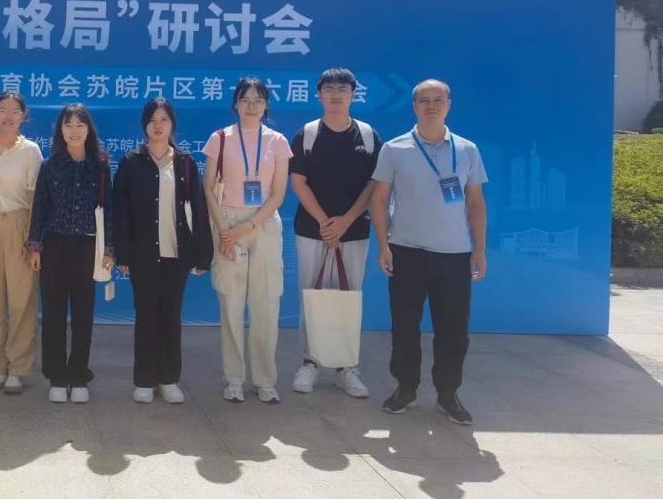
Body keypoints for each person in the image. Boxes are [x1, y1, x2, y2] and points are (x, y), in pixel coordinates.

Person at [370, 79, 487, 426]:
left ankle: (448, 393)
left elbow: (476, 202)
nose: (431, 106)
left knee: (453, 330)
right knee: (405, 326)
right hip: (407, 251)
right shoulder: (394, 148)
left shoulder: (467, 150)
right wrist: (383, 245)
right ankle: (405, 388)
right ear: (414, 106)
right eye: (424, 100)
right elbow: (379, 199)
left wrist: (479, 249)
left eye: (438, 100)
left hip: (455, 254)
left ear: (449, 104)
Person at [113, 98, 212, 404]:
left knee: (171, 317)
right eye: (152, 120)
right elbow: (120, 212)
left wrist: (201, 254)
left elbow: (198, 209)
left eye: (164, 120)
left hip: (176, 255)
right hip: (142, 254)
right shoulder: (131, 162)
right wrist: (122, 254)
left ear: (172, 125)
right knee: (145, 316)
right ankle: (144, 379)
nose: (158, 126)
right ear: (144, 124)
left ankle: (169, 379)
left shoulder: (185, 163)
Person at [289, 68, 380, 399]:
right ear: (319, 95)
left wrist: (345, 221)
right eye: (329, 89)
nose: (336, 95)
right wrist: (326, 222)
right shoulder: (307, 134)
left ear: (353, 95)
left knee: (348, 297)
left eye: (343, 89)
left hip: (354, 231)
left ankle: (346, 367)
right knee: (311, 295)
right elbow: (298, 182)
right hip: (311, 229)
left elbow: (374, 184)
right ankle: (309, 362)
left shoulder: (368, 136)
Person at [203, 78, 292, 404]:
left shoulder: (278, 142)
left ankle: (265, 380)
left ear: (266, 105)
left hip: (264, 224)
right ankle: (234, 379)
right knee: (230, 304)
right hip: (228, 222)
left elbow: (279, 193)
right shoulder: (220, 138)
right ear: (236, 104)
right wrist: (225, 230)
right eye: (245, 99)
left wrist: (251, 225)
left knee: (266, 304)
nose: (251, 106)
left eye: (258, 100)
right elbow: (208, 188)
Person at [27, 103, 112, 404]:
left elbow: (109, 208)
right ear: (60, 130)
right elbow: (40, 208)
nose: (74, 131)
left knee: (83, 314)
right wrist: (34, 245)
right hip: (55, 246)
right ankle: (57, 376)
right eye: (68, 125)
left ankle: (78, 376)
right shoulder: (50, 166)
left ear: (89, 130)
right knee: (53, 313)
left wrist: (109, 249)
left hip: (87, 247)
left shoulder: (100, 166)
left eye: (80, 125)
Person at [0, 91, 42, 394]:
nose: (8, 116)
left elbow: (37, 198)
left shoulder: (30, 151)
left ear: (23, 116)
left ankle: (18, 367)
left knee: (22, 301)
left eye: (15, 111)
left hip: (20, 224)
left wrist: (33, 240)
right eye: (3, 110)